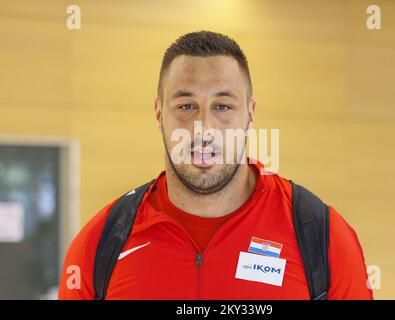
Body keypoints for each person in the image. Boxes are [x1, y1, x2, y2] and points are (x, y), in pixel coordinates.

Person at [59, 31, 373, 300]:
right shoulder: (99, 244)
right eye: (186, 106)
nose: (203, 127)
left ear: (250, 113)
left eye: (222, 106)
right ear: (158, 113)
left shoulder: (323, 236)